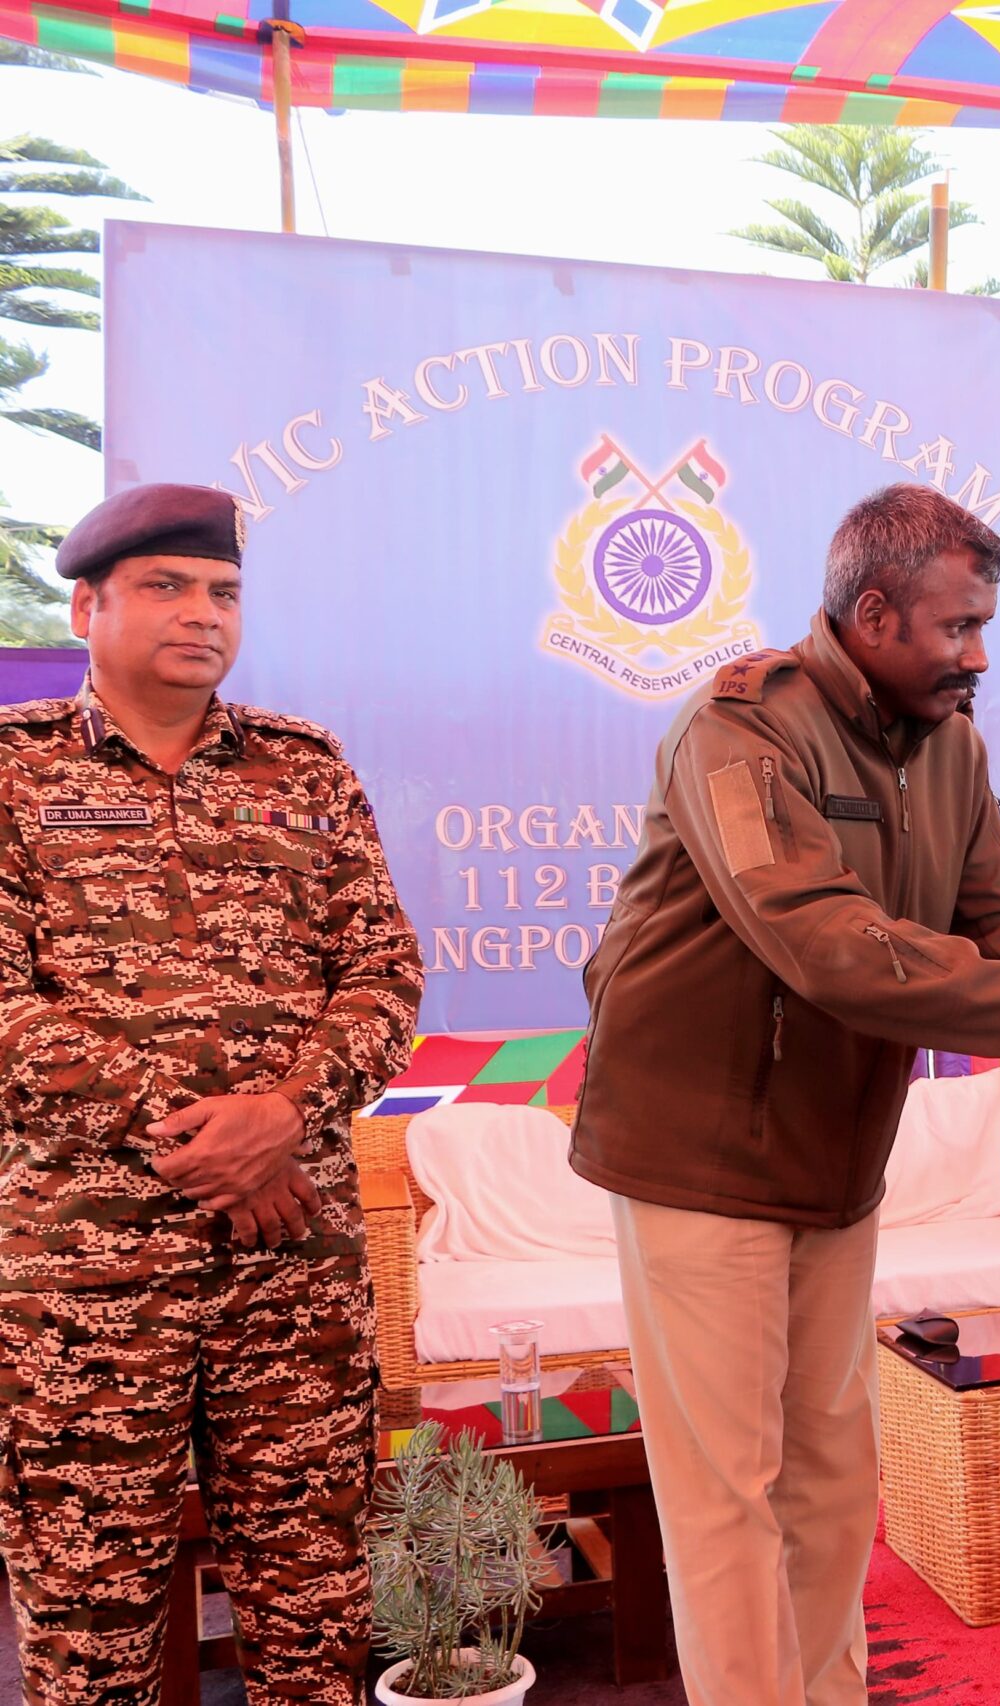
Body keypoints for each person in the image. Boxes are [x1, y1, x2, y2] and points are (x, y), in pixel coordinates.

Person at [571, 483, 1000, 1706]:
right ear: (872, 613)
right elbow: (822, 941)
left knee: (831, 1473)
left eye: (985, 627)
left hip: (834, 1157)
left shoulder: (950, 744)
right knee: (728, 1494)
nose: (979, 656)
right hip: (695, 1154)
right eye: (956, 626)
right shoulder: (739, 729)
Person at [0, 483, 424, 1704]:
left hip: (292, 1262)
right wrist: (205, 1142)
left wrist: (280, 1118)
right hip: (86, 1273)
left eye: (223, 591)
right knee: (90, 1628)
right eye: (166, 586)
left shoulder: (306, 766)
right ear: (87, 608)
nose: (203, 612)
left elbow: (384, 974)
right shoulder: (14, 769)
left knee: (316, 1614)